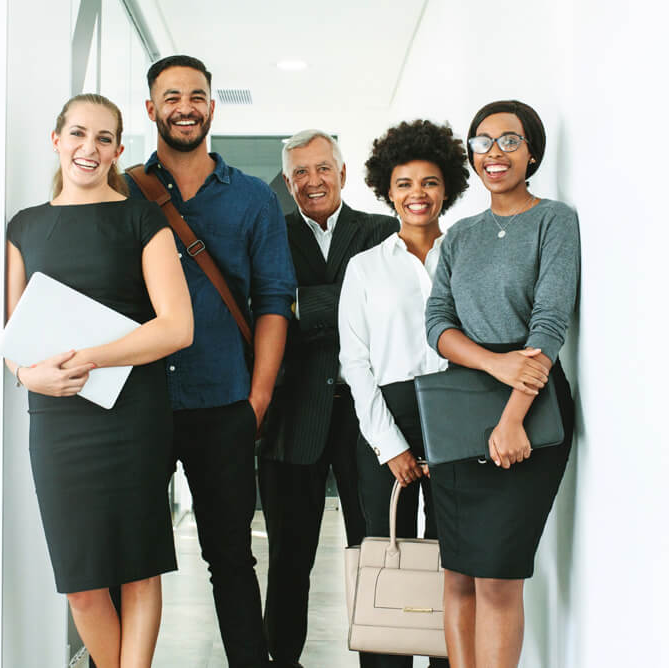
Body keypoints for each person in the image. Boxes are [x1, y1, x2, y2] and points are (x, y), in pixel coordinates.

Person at [5, 93, 193, 668]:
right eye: (79, 134)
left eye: (105, 138)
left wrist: (94, 357)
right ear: (57, 139)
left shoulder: (140, 217)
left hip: (131, 413)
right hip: (58, 421)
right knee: (82, 583)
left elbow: (177, 327)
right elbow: (14, 336)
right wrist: (27, 376)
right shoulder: (25, 227)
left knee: (137, 566)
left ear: (117, 150)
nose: (90, 148)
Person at [123, 55, 296, 668]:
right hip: (137, 401)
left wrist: (258, 398)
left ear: (212, 107)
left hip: (224, 400)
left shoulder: (251, 199)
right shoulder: (122, 192)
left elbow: (274, 300)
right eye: (171, 97)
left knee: (230, 556)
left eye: (196, 95)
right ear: (151, 110)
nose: (185, 107)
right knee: (127, 557)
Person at [425, 100, 579, 668]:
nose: (495, 153)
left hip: (531, 406)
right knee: (458, 574)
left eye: (509, 141)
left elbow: (549, 323)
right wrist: (492, 365)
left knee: (496, 578)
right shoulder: (460, 235)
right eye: (483, 141)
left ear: (532, 151)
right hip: (461, 405)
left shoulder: (554, 220)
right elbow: (437, 323)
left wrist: (513, 416)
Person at [258, 129, 398, 668]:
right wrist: (348, 302)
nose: (312, 181)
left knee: (376, 555)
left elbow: (388, 311)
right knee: (289, 562)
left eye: (322, 169)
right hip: (292, 418)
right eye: (299, 173)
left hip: (371, 418)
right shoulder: (271, 234)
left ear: (342, 172)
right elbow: (261, 309)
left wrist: (300, 306)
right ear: (288, 182)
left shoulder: (384, 231)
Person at [339, 120, 468, 668]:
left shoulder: (468, 255)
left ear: (448, 189)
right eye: (405, 182)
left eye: (431, 182)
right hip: (385, 414)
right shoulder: (365, 267)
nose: (419, 193)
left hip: (458, 414)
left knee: (455, 554)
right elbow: (355, 362)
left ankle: (446, 657)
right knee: (385, 548)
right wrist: (388, 444)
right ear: (387, 191)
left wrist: (460, 432)